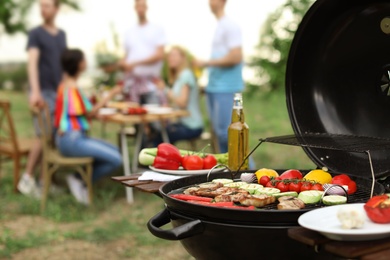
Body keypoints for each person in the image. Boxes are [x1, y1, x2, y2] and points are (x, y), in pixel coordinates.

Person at [54, 49, 122, 205]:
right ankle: (79, 180)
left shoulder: (68, 85)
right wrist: (110, 95)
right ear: (79, 64)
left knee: (117, 152)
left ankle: (81, 178)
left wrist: (96, 114)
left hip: (74, 137)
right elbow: (89, 112)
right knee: (116, 159)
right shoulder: (71, 88)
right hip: (71, 140)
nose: (86, 62)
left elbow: (81, 113)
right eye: (84, 60)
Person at [18, 0, 67, 197]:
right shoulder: (35, 34)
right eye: (41, 6)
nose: (43, 9)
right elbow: (32, 64)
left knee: (53, 138)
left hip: (57, 93)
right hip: (43, 92)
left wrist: (66, 92)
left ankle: (44, 181)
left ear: (56, 8)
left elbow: (63, 67)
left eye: (47, 5)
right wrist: (35, 91)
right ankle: (27, 179)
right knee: (43, 136)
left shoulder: (61, 35)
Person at [194, 0, 244, 153]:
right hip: (215, 88)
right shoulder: (220, 26)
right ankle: (227, 172)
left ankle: (248, 170)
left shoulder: (230, 25)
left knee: (227, 133)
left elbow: (236, 57)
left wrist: (205, 63)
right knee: (219, 134)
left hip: (226, 88)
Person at [118, 0, 166, 105]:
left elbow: (159, 55)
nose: (140, 8)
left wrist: (135, 63)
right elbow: (126, 57)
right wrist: (122, 63)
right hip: (132, 84)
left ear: (146, 7)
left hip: (151, 84)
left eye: (143, 6)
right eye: (138, 6)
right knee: (135, 119)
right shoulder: (129, 32)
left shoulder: (157, 29)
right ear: (134, 8)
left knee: (154, 117)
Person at [154, 46, 204, 144]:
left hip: (192, 126)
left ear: (183, 58)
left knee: (158, 137)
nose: (170, 58)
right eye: (169, 56)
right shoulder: (180, 77)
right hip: (183, 124)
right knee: (158, 133)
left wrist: (164, 89)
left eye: (174, 55)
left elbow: (182, 103)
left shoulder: (186, 75)